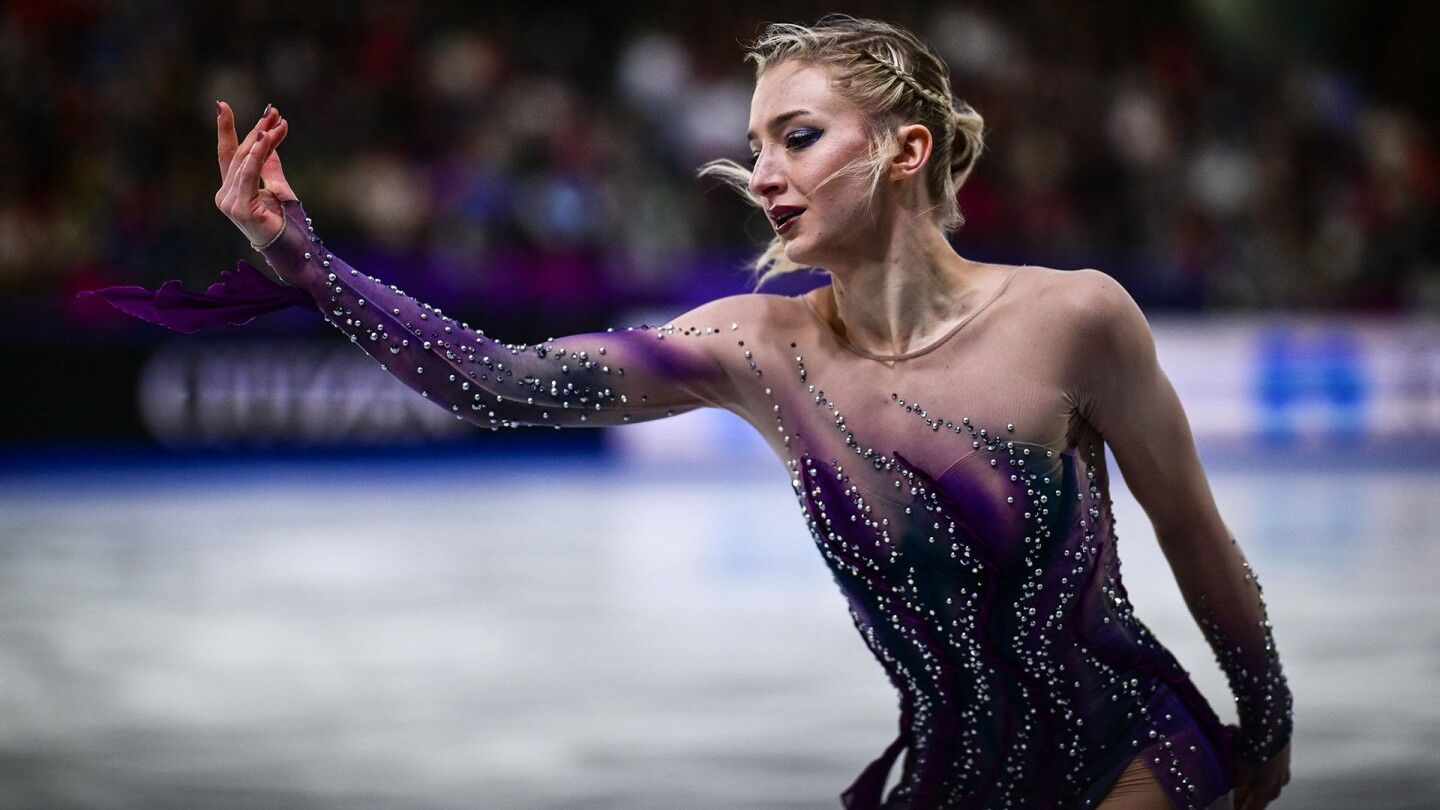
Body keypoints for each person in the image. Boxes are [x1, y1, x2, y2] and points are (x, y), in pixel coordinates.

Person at [86, 15, 1293, 810]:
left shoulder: (1076, 319)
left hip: (1131, 757)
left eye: (799, 137)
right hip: (948, 777)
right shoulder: (757, 350)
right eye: (754, 143)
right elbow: (501, 382)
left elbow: (1190, 528)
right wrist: (304, 262)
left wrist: (1268, 723)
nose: (762, 171)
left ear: (907, 148)